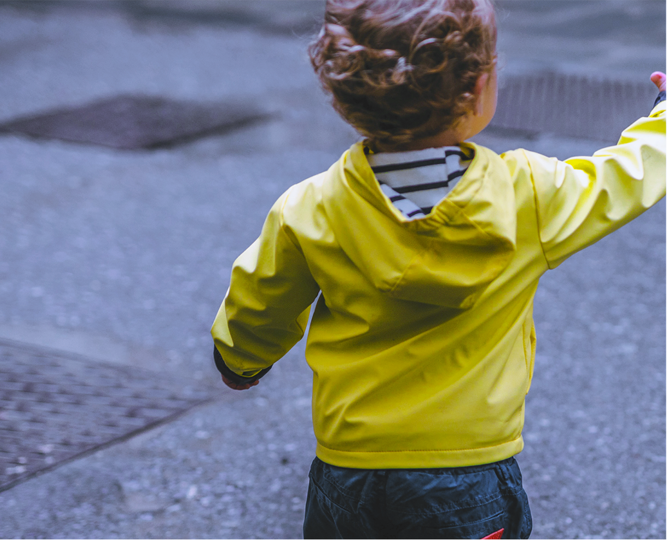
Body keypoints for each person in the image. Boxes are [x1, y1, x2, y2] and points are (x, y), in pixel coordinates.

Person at [211, 0, 667, 537]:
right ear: (477, 90)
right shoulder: (528, 198)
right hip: (469, 473)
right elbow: (627, 178)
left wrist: (240, 362)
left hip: (349, 465)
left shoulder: (310, 207)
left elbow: (261, 299)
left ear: (341, 97)